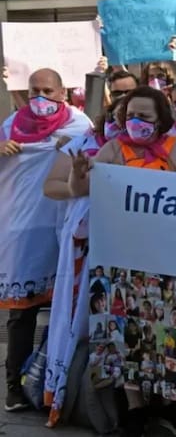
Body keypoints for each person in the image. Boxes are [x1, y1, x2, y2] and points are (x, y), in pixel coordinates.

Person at [0, 68, 92, 412]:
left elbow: (91, 162)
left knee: (64, 312)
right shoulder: (11, 125)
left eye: (47, 90)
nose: (41, 97)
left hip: (62, 228)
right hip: (21, 230)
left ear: (62, 93)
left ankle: (52, 380)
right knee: (22, 314)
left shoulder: (79, 126)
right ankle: (13, 386)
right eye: (34, 90)